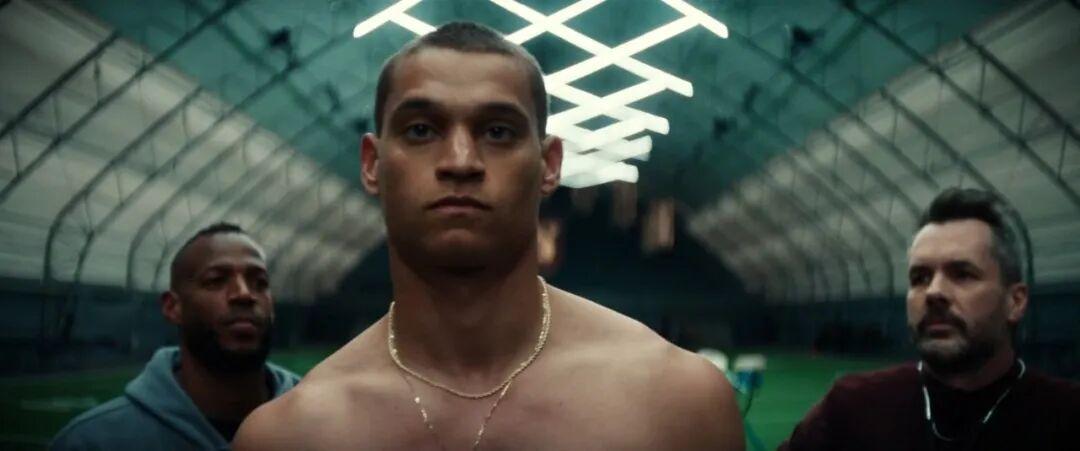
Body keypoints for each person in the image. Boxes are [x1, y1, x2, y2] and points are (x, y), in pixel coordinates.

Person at [234, 22, 743, 450]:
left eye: (498, 131)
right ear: (372, 164)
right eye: (420, 130)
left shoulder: (678, 404)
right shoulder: (290, 435)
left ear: (549, 165)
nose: (460, 162)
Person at [780, 188, 1080, 451]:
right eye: (920, 278)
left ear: (1015, 301)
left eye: (962, 274)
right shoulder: (851, 408)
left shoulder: (1066, 417)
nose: (934, 292)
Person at [52, 223, 300, 450]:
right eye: (216, 280)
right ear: (173, 307)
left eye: (260, 282)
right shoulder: (92, 442)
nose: (244, 294)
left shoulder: (320, 422)